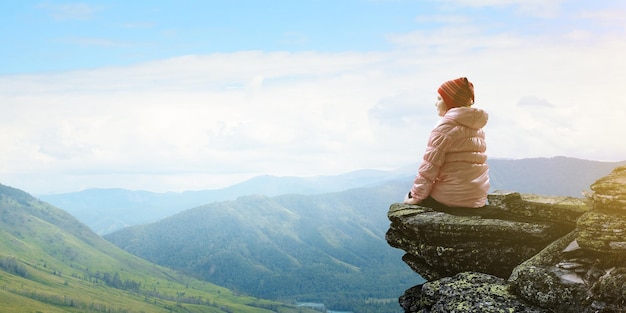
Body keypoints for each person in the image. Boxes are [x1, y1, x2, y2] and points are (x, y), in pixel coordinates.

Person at [404, 77, 490, 208]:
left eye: (439, 99)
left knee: (407, 198)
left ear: (450, 102)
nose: (435, 104)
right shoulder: (477, 128)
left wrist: (415, 197)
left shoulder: (444, 128)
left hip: (450, 197)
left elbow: (429, 167)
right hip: (476, 199)